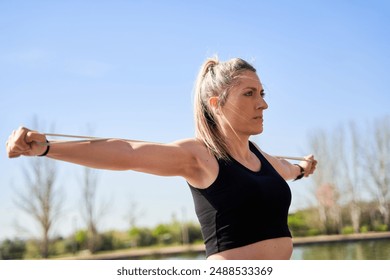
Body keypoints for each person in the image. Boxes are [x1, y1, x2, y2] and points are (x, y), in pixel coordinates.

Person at [6, 57, 317, 260]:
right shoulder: (200, 156)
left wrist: (304, 168)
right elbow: (128, 153)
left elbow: (289, 169)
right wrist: (47, 148)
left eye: (263, 93)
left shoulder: (263, 159)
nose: (262, 104)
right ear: (216, 105)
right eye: (249, 94)